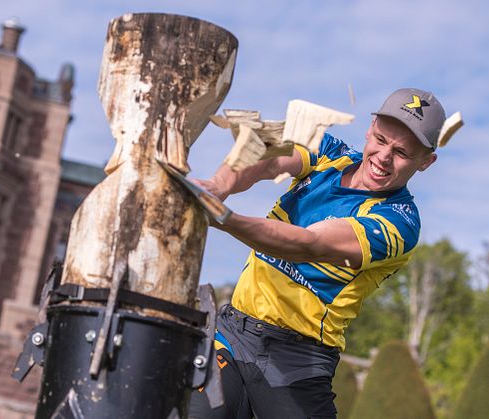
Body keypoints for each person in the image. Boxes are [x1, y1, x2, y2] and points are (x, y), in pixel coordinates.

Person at [188, 88, 447, 419]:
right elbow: (266, 157)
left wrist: (222, 217)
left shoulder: (398, 223)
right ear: (370, 128)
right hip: (232, 333)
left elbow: (306, 244)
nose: (383, 156)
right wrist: (217, 187)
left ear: (426, 161)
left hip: (298, 361)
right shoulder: (329, 153)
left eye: (401, 153)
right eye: (380, 140)